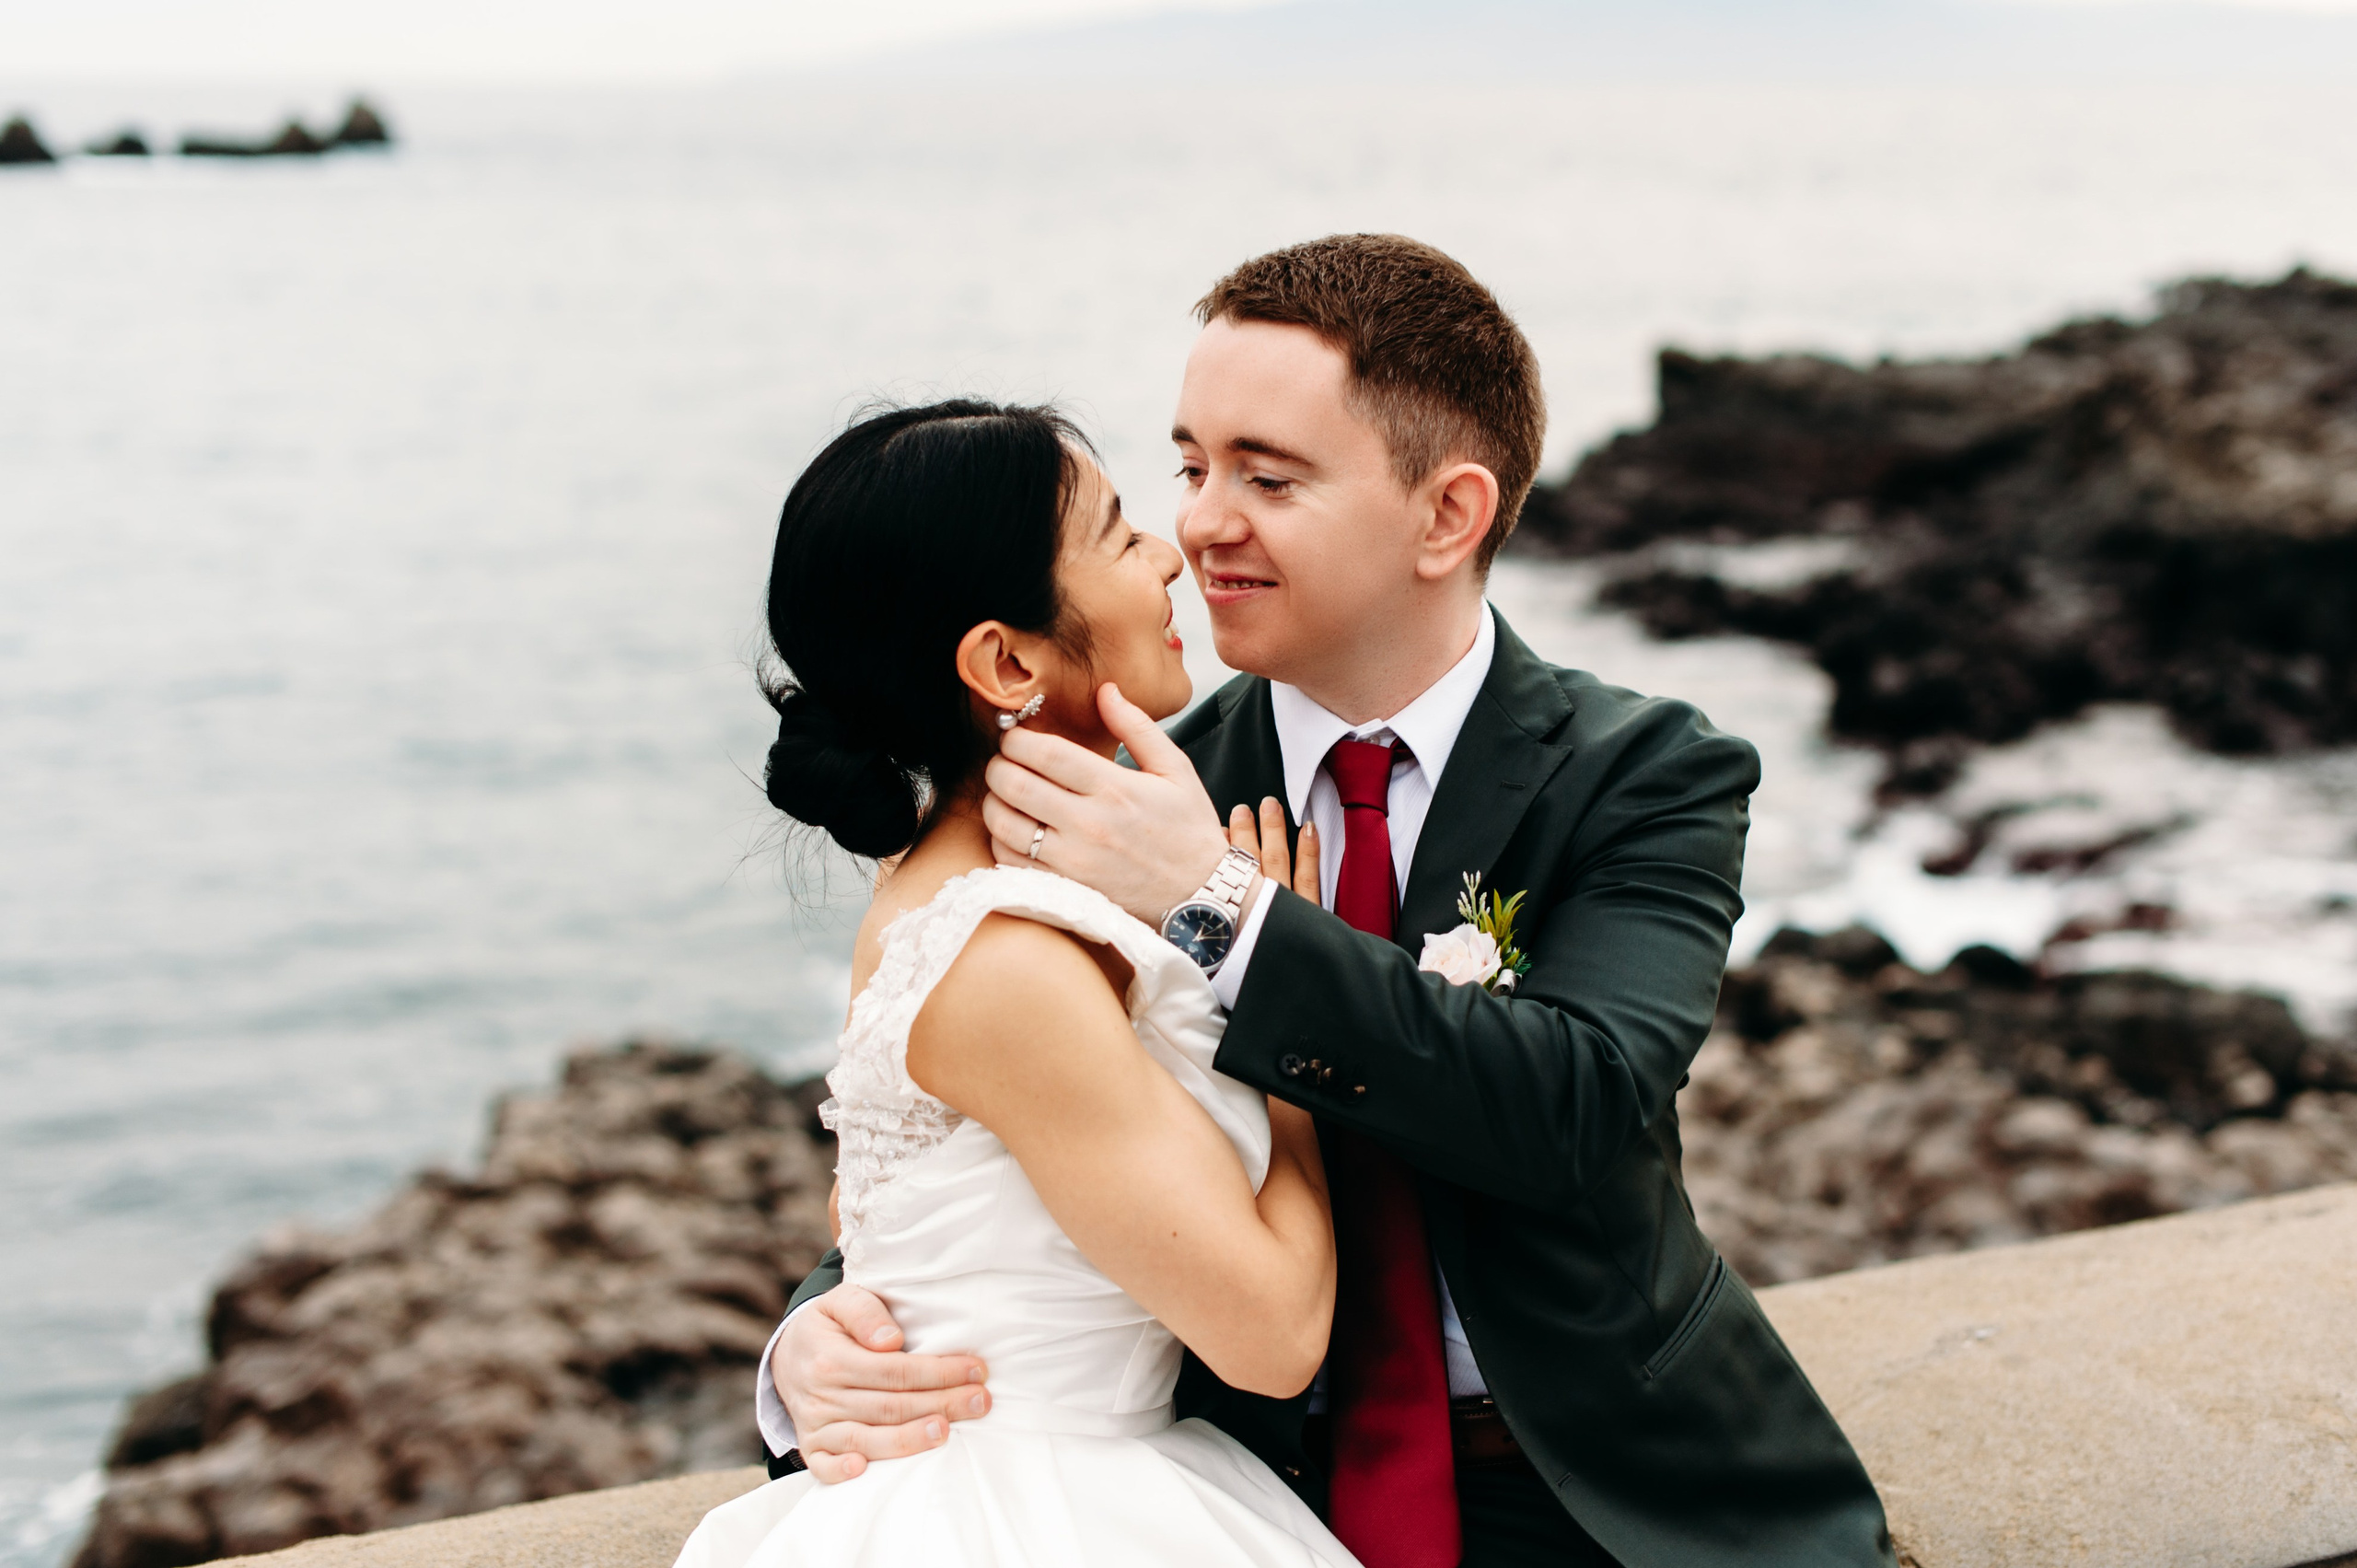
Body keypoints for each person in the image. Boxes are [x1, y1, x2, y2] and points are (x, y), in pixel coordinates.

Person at [762, 238, 1898, 1568]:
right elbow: (984, 1117)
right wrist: (817, 1338)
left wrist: (1226, 910)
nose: (1198, 525)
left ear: (1446, 516)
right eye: (1191, 468)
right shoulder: (1108, 796)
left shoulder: (1644, 770)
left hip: (1601, 1483)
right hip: (1253, 1482)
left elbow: (1573, 1104)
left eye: (1268, 475)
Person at [674, 400, 1362, 1567]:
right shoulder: (1004, 960)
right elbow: (1276, 1332)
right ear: (1006, 660)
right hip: (1033, 1509)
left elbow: (902, 1217)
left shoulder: (976, 886)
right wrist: (1280, 995)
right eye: (1117, 532)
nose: (1170, 553)